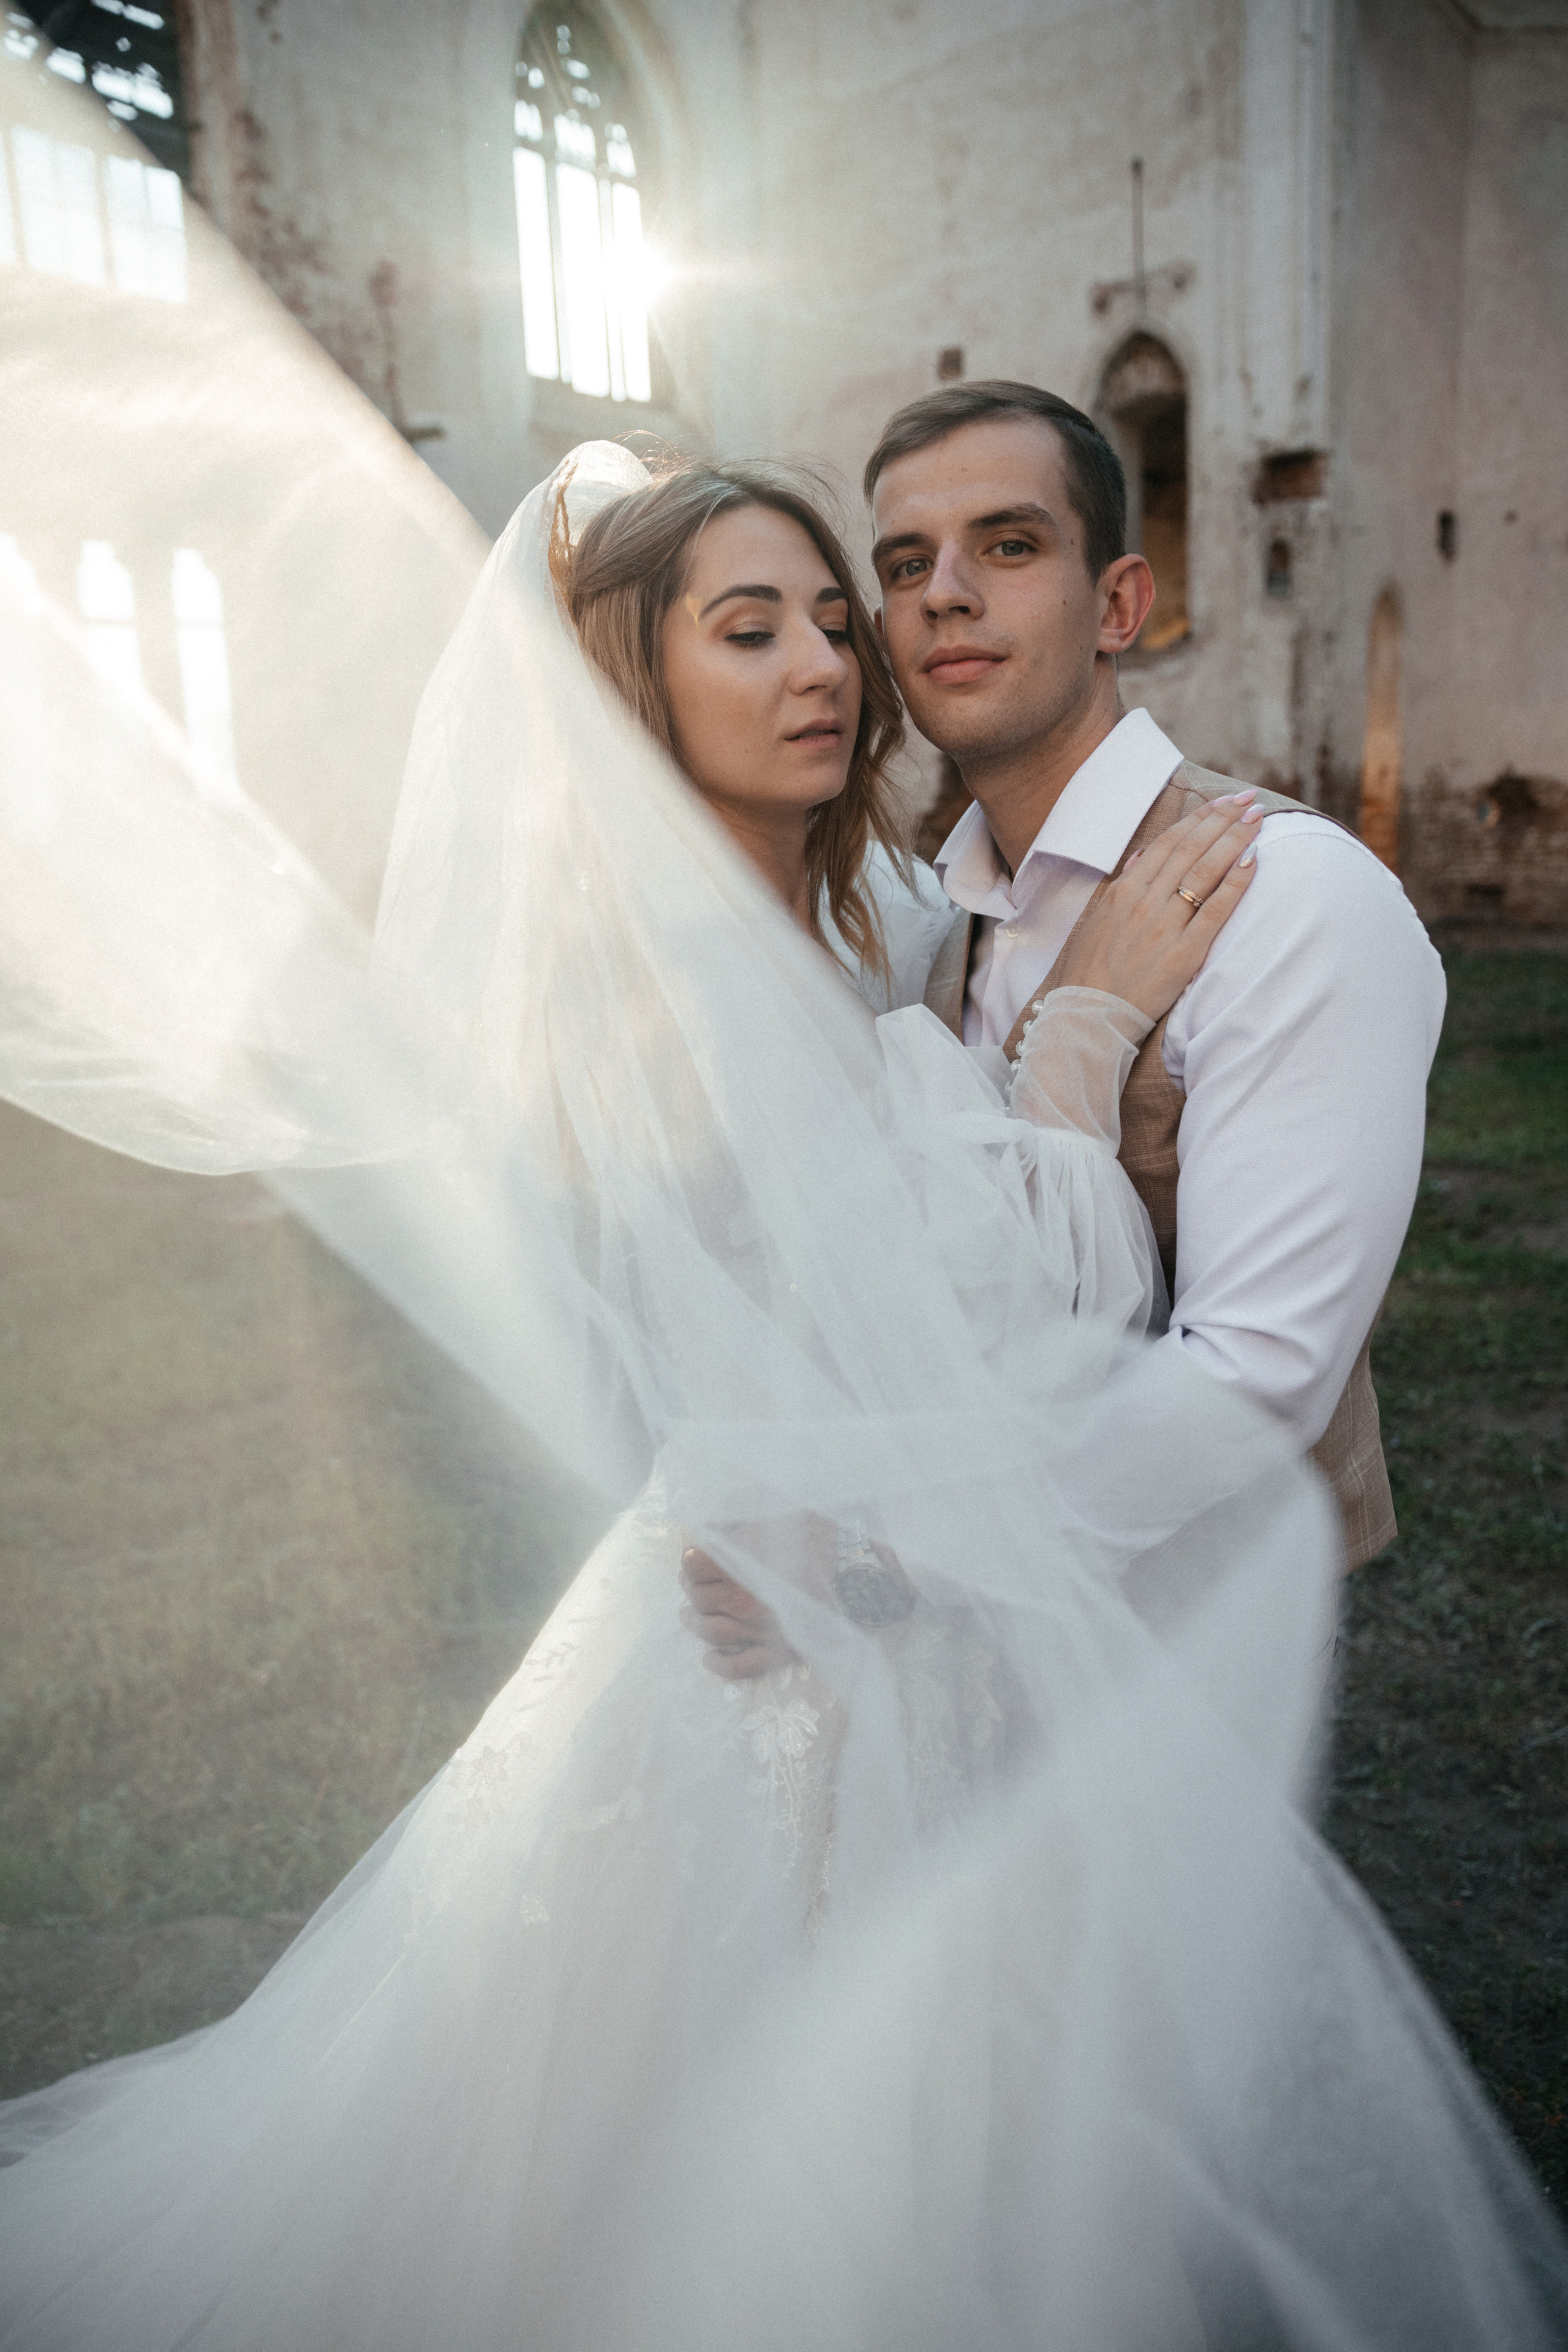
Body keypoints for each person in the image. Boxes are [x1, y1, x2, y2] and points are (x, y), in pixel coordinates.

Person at [1, 443, 1563, 2352]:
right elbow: (984, 1315)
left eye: (839, 614)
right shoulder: (650, 998)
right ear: (632, 685)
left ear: (1117, 594)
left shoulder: (879, 926)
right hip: (800, 1655)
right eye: (758, 628)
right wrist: (1091, 1033)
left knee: (962, 2123)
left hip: (909, 1612)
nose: (836, 659)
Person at [682, 382, 1446, 1681]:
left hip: (1184, 1655)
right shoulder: (930, 934)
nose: (944, 593)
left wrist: (876, 1561)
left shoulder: (1288, 899)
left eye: (1010, 545)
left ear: (1117, 606)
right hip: (960, 1667)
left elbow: (1252, 1379)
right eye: (905, 564)